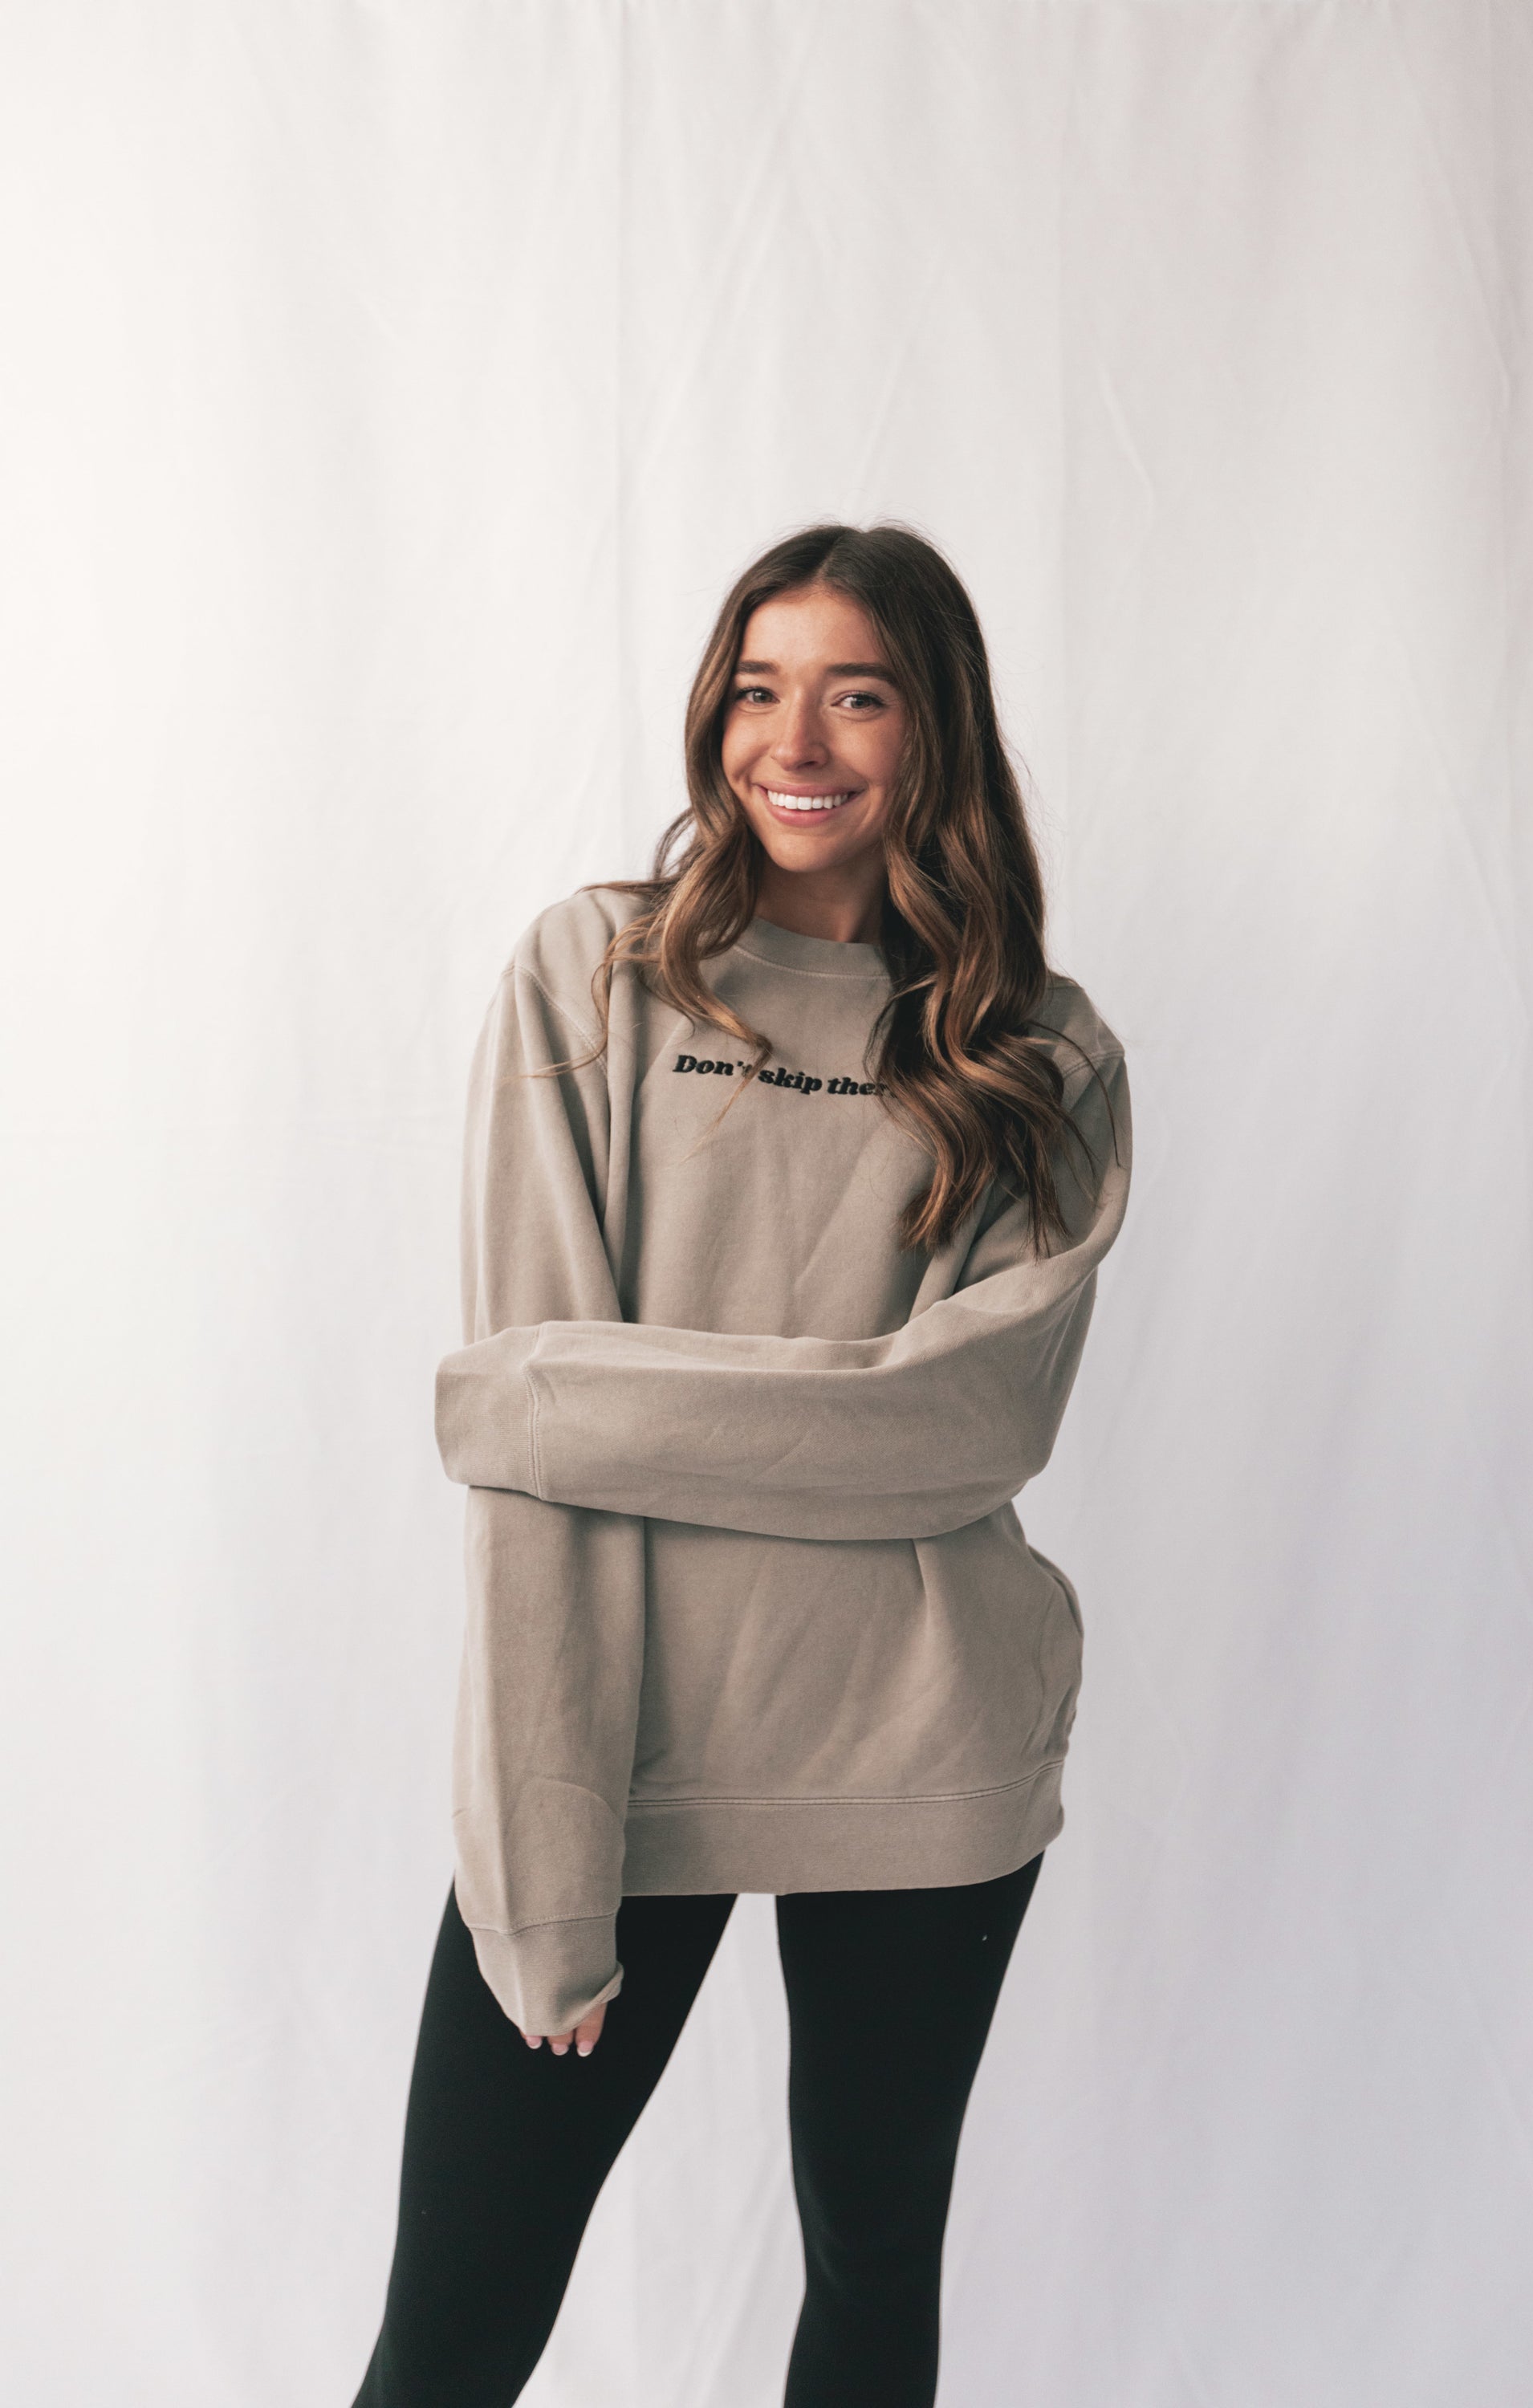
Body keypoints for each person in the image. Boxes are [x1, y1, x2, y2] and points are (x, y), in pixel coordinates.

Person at [352, 522, 1132, 2408]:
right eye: (757, 690)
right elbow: (537, 1498)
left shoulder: (1036, 1050)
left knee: (871, 2271)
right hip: (621, 1753)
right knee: (449, 2339)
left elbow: (960, 1427)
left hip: (923, 1742)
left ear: (932, 728)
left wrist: (556, 1394)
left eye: (855, 694)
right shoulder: (595, 977)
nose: (795, 741)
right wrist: (547, 1860)